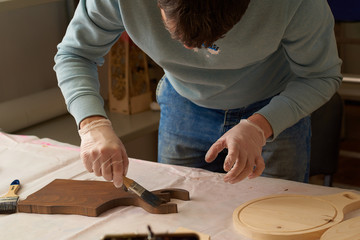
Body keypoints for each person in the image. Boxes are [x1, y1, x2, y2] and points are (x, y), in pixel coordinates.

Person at [54, 0, 342, 188]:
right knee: (183, 219)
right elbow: (75, 54)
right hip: (183, 105)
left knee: (279, 218)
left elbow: (320, 76)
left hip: (273, 104)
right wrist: (93, 125)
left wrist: (260, 126)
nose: (200, 52)